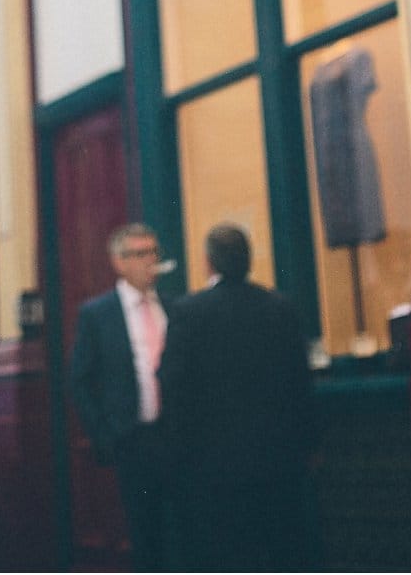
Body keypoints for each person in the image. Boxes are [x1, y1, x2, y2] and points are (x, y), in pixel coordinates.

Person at [158, 222, 318, 572]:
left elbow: (173, 386)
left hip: (212, 467)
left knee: (224, 555)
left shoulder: (188, 312)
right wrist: (306, 447)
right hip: (276, 460)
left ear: (208, 262)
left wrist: (176, 454)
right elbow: (300, 384)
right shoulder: (280, 308)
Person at [70, 224, 174, 572]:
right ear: (119, 262)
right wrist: (105, 436)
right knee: (143, 536)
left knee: (178, 531)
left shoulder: (173, 308)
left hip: (174, 438)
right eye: (140, 254)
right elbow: (81, 381)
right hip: (131, 439)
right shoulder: (98, 314)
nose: (150, 262)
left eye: (153, 253)